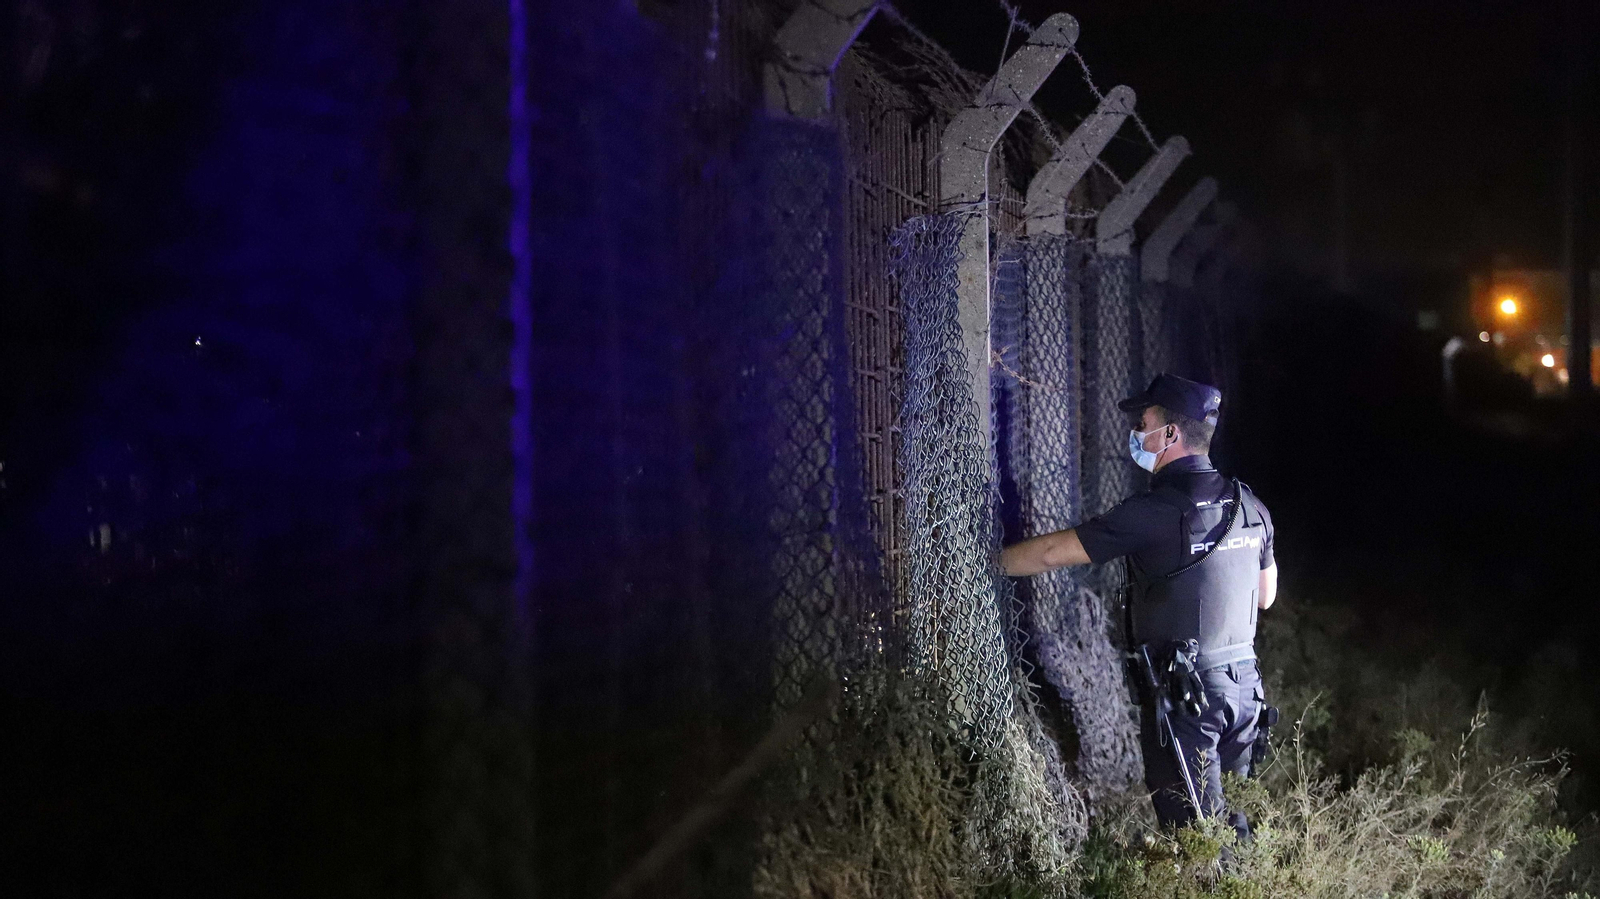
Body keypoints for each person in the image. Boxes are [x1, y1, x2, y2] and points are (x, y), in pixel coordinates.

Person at [1000, 373, 1277, 840]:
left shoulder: (1154, 511)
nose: (1136, 432)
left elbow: (1051, 553)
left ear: (1170, 433)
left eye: (1143, 421)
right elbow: (1266, 597)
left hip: (1188, 697)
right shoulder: (1251, 505)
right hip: (1245, 693)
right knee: (1232, 829)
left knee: (1195, 841)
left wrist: (984, 562)